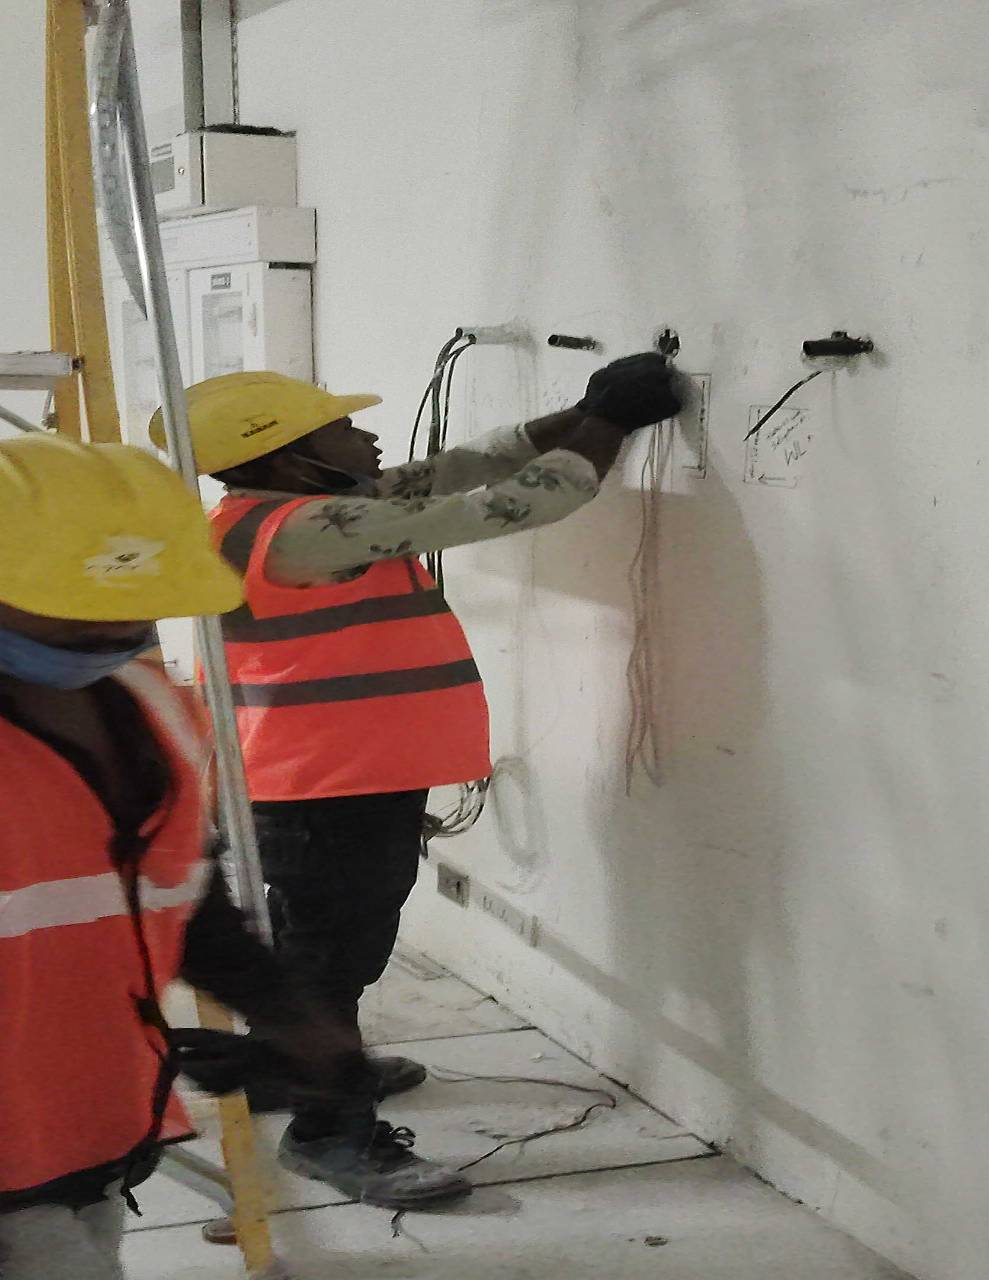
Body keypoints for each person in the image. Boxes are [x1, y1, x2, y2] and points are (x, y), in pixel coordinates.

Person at [153, 353, 682, 1209]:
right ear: (290, 457)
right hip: (325, 783)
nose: (365, 436)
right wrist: (610, 422)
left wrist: (579, 411)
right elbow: (514, 502)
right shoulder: (300, 532)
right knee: (334, 957)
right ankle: (331, 1131)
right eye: (340, 427)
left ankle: (288, 1069)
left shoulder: (284, 509)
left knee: (323, 943)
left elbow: (458, 468)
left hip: (331, 775)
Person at [0, 435, 375, 1280]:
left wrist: (295, 1022)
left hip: (89, 1118)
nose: (107, 628)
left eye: (131, 603)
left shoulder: (152, 707)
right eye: (69, 604)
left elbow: (182, 893)